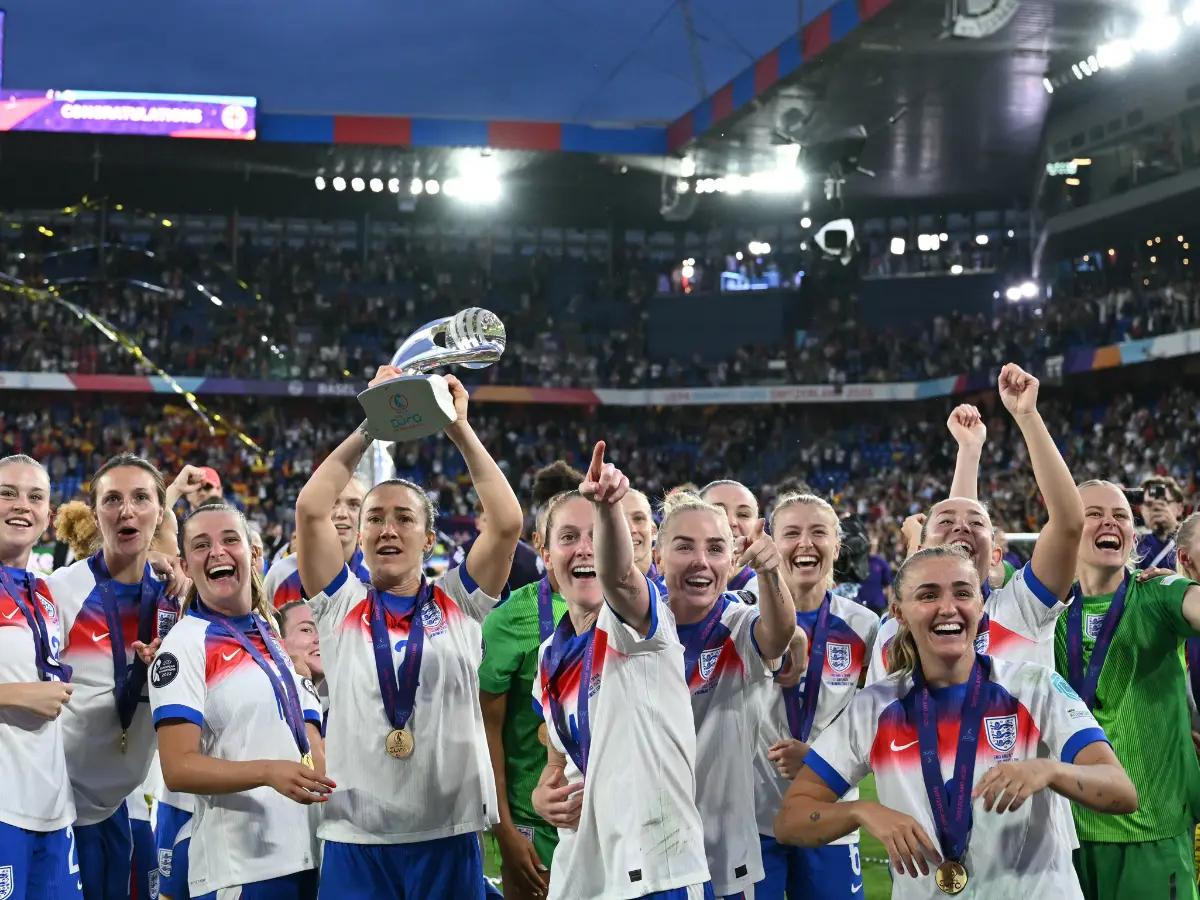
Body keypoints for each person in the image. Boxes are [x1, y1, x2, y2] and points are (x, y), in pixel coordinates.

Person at [775, 546, 1137, 899]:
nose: (948, 608)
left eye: (962, 593)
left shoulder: (1036, 687)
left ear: (980, 606)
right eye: (928, 595)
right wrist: (860, 811)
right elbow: (790, 819)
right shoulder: (873, 708)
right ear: (899, 613)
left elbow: (1121, 791)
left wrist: (1050, 770)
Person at [295, 369, 521, 899]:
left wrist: (458, 428)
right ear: (360, 535)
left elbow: (507, 522)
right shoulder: (339, 602)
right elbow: (310, 508)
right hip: (356, 836)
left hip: (448, 831)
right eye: (374, 519)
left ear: (429, 537)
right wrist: (370, 425)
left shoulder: (459, 600)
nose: (388, 530)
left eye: (404, 518)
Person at [531, 443, 711, 899]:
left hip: (657, 873)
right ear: (546, 555)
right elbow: (559, 757)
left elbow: (620, 579)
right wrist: (543, 794)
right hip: (583, 872)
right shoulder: (549, 654)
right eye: (568, 537)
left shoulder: (641, 622)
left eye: (595, 535)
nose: (584, 549)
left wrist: (608, 507)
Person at [151, 502, 330, 900]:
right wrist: (267, 771)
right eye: (202, 545)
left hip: (304, 854)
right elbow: (177, 768)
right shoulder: (185, 644)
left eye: (229, 539)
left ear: (252, 552)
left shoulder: (267, 630)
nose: (217, 551)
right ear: (186, 565)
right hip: (241, 868)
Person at [866, 365, 1084, 683]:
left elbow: (1068, 523)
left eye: (977, 523)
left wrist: (1027, 416)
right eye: (946, 521)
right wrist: (968, 450)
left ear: (995, 555)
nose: (962, 526)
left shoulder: (1021, 608)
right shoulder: (894, 630)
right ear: (921, 549)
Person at [1054, 480, 1200, 899]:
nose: (1110, 522)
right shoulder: (1046, 613)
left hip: (1152, 833)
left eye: (1121, 515)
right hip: (1066, 836)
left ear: (1133, 537)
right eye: (1093, 514)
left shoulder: (1159, 594)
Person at [47, 453, 180, 900]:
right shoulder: (62, 591)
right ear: (96, 512)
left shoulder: (174, 600)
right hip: (62, 803)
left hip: (120, 801)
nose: (126, 510)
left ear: (160, 510)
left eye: (141, 498)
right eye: (112, 499)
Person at [656, 489, 797, 900]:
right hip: (650, 853)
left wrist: (770, 572)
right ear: (658, 557)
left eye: (716, 548)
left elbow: (778, 635)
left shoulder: (739, 625)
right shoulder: (637, 630)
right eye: (684, 547)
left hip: (722, 852)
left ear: (732, 561)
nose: (701, 560)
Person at [749, 493, 879, 900]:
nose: (805, 543)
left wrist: (820, 760)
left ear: (836, 546)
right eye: (791, 533)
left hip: (829, 813)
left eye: (818, 532)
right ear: (772, 544)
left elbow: (879, 720)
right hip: (751, 817)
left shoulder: (864, 625)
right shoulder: (739, 616)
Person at [478, 461, 584, 900]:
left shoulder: (628, 613)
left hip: (609, 818)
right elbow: (489, 729)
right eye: (568, 536)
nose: (583, 549)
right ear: (542, 546)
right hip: (532, 823)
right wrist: (504, 828)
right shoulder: (507, 620)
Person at [0, 454, 81, 900]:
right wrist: (14, 694)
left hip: (52, 807)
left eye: (34, 497)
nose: (21, 505)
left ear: (49, 517)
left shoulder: (47, 592)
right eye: (7, 493)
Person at [265, 479, 369, 609]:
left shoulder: (380, 578)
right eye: (332, 503)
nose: (341, 514)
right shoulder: (281, 575)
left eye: (353, 505)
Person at [452, 494, 544, 591]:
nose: (493, 526)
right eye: (486, 520)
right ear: (477, 523)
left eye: (499, 520)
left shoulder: (531, 560)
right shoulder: (461, 555)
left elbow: (545, 597)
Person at [701, 480, 760, 602]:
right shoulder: (665, 588)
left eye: (743, 515)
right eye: (718, 511)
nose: (731, 522)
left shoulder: (771, 598)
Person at [1137, 475, 1185, 570]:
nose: (1156, 508)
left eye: (1164, 502)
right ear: (1141, 509)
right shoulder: (1132, 542)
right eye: (1149, 504)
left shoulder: (1193, 539)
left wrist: (1173, 532)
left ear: (1179, 508)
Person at [621, 489, 658, 581]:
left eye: (638, 518)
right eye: (620, 520)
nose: (630, 529)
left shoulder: (674, 587)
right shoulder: (591, 587)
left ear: (653, 530)